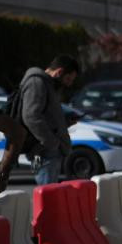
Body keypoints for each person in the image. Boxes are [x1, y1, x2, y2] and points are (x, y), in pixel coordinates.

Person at [18, 55, 79, 185]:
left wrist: (65, 122)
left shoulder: (48, 85)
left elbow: (47, 117)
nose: (69, 84)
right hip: (44, 153)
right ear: (59, 72)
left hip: (49, 152)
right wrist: (51, 143)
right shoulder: (37, 82)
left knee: (50, 195)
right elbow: (31, 116)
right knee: (47, 196)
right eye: (68, 79)